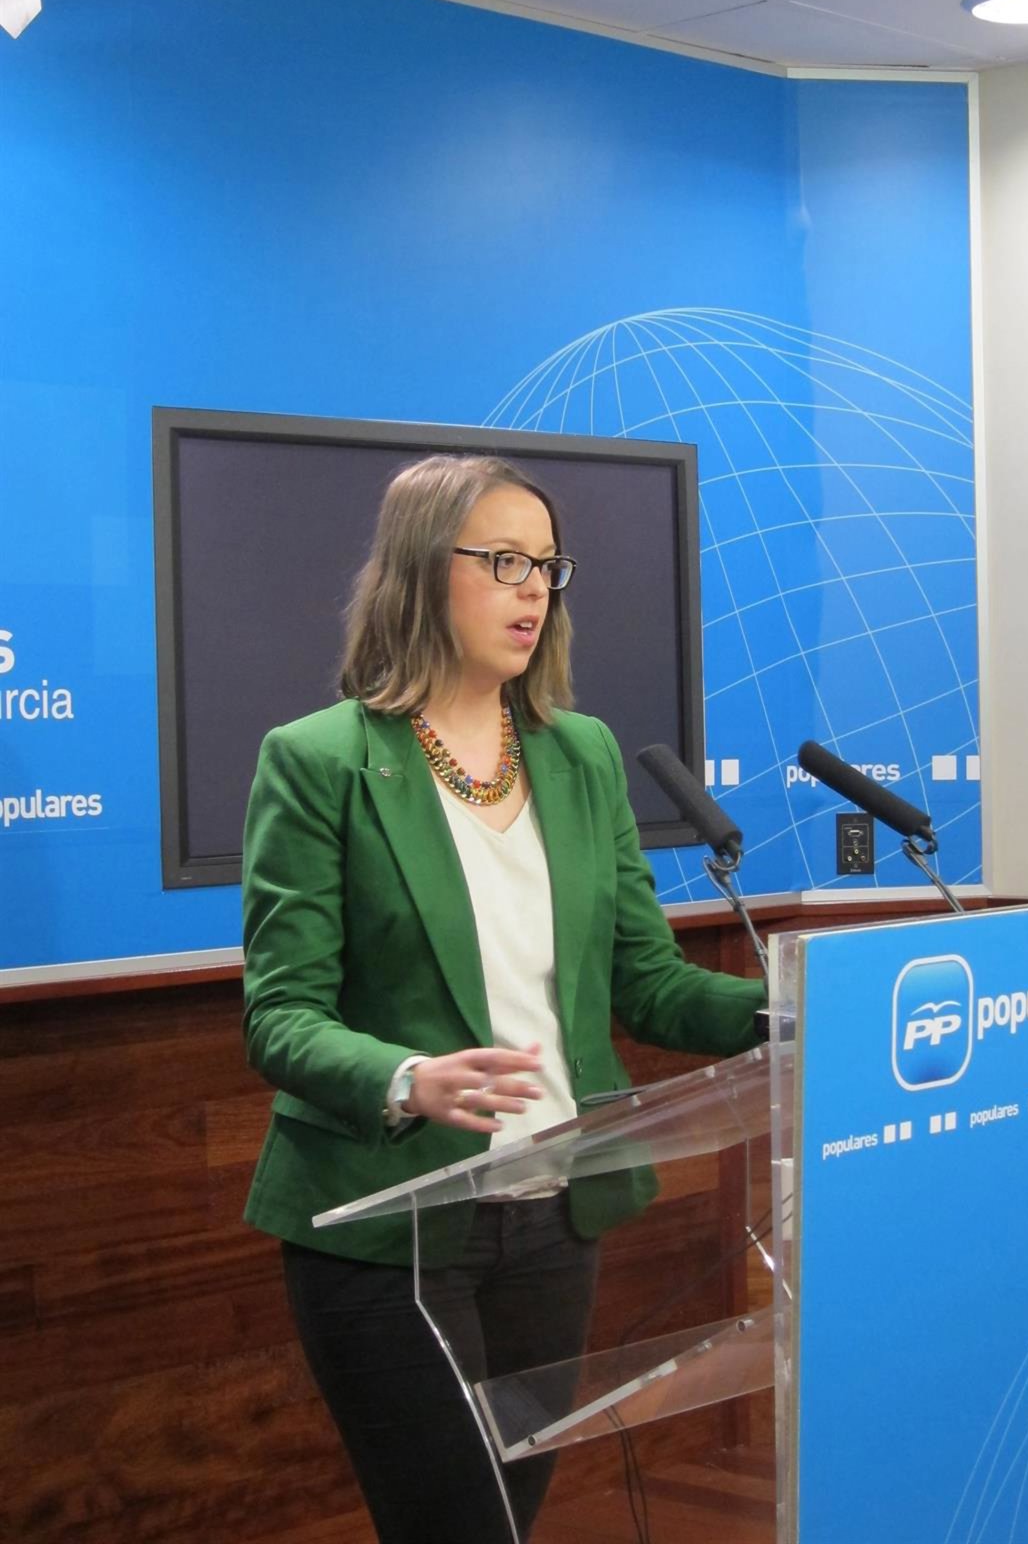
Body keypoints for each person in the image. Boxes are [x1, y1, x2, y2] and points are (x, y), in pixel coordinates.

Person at [240, 453, 764, 1544]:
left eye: (548, 567)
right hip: (391, 1225)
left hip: (554, 1221)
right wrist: (406, 1078)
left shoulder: (582, 754)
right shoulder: (319, 761)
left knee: (509, 1521)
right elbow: (280, 1016)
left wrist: (792, 1014)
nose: (536, 591)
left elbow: (649, 984)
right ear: (421, 569)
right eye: (505, 562)